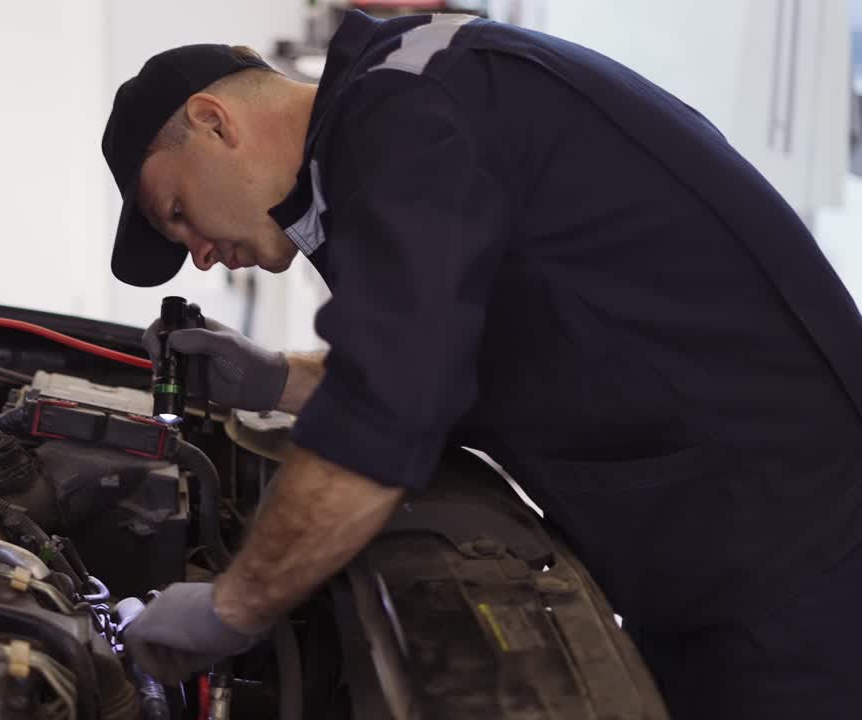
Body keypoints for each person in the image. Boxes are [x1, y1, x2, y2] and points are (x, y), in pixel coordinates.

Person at [101, 11, 862, 719]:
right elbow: (444, 367)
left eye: (177, 214)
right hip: (711, 562)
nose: (196, 255)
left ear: (212, 121)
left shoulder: (409, 114)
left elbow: (384, 420)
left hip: (796, 560)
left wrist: (234, 606)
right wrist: (277, 380)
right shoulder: (389, 117)